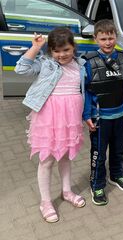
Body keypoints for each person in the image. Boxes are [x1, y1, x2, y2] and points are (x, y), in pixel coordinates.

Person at [15, 28, 86, 223]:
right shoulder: (46, 64)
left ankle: (67, 191)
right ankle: (45, 201)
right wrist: (35, 47)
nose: (62, 55)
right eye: (56, 51)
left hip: (70, 119)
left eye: (66, 50)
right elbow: (21, 69)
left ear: (73, 47)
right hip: (48, 118)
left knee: (65, 156)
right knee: (46, 159)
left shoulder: (81, 65)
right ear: (50, 51)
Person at [83, 19, 123, 206]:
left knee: (118, 149)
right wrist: (86, 115)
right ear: (95, 38)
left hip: (120, 115)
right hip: (99, 119)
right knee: (98, 153)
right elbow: (86, 92)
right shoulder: (88, 62)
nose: (108, 42)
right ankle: (97, 184)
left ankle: (117, 174)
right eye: (103, 38)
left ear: (116, 37)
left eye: (111, 38)